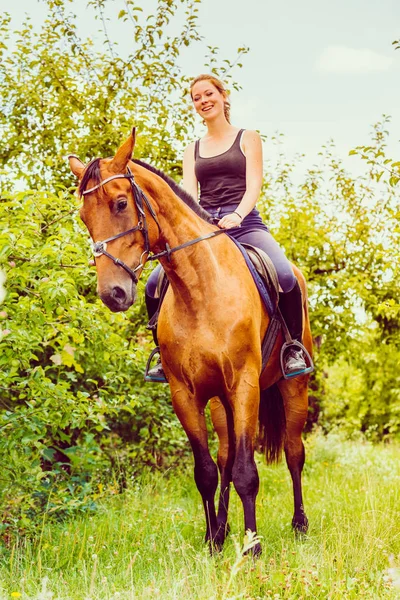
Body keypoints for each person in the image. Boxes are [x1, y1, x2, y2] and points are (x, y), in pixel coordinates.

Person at [145, 73, 312, 382]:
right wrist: (196, 224)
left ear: (223, 96)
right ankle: (162, 355)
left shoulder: (247, 137)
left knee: (286, 275)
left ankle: (293, 348)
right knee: (154, 284)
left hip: (246, 224)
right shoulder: (192, 149)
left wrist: (237, 214)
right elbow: (187, 197)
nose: (203, 101)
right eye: (197, 98)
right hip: (205, 231)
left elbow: (254, 186)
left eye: (209, 94)